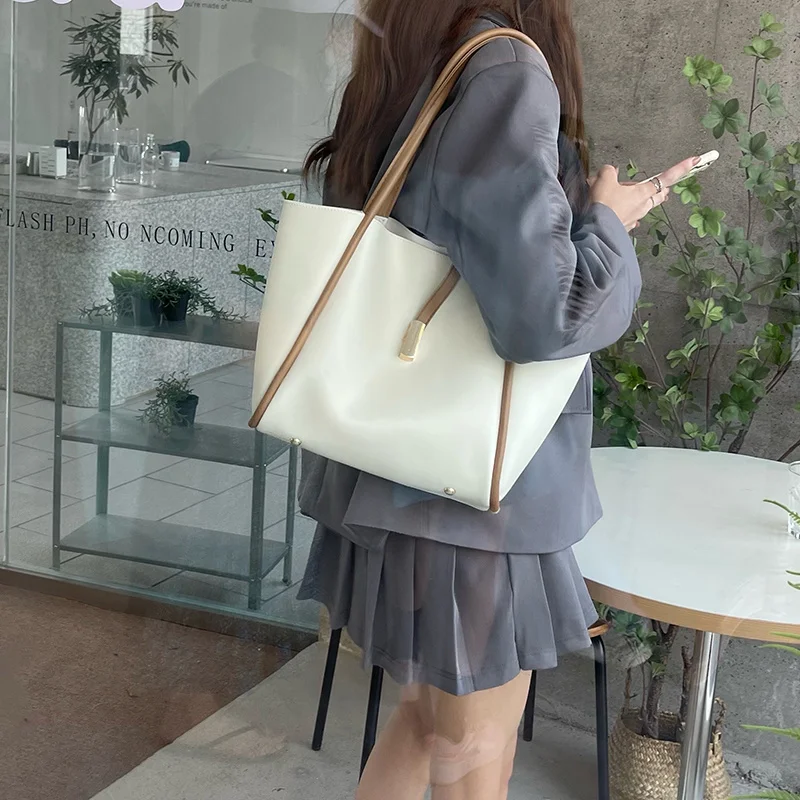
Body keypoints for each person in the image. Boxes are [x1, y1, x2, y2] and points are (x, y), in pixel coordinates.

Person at [297, 2, 697, 798]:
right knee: (475, 753)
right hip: (474, 495)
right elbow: (550, 316)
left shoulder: (413, 59)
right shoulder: (504, 70)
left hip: (403, 466)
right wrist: (608, 224)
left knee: (428, 728)